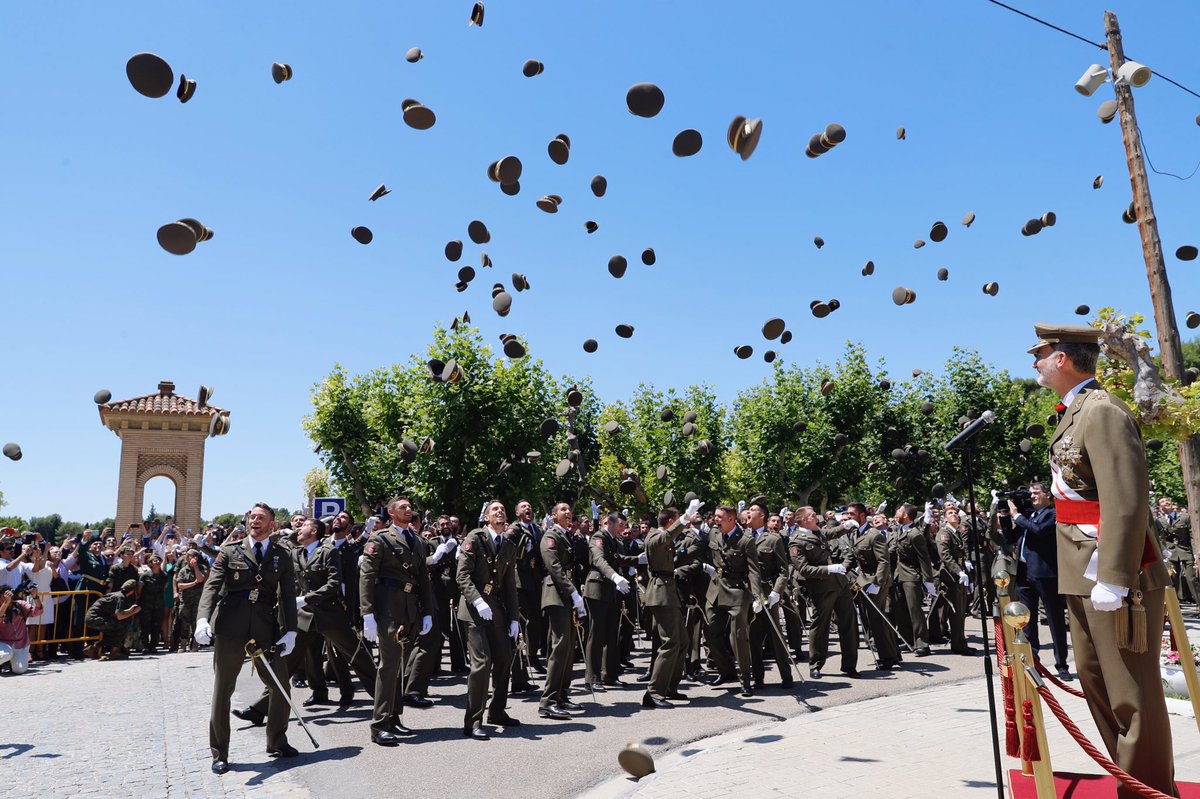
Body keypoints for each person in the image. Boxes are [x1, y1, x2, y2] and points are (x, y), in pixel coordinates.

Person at [1029, 322, 1176, 797]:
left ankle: (1148, 791)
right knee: (1096, 685)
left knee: (1131, 692)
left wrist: (1113, 577)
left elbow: (1126, 500)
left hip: (1111, 572)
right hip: (1078, 568)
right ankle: (1132, 780)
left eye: (1042, 353)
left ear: (1063, 360)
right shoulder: (1073, 412)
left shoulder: (1103, 411)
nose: (1035, 362)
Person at [194, 502, 299, 774]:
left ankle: (276, 740)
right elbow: (213, 585)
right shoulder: (230, 551)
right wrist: (202, 618)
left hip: (265, 626)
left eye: (261, 517)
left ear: (272, 524)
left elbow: (287, 595)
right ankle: (220, 752)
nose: (254, 521)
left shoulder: (281, 555)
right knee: (223, 689)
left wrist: (291, 631)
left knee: (280, 684)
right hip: (231, 625)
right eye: (252, 517)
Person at [359, 497, 435, 746]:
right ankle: (379, 724)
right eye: (402, 507)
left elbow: (424, 578)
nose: (408, 509)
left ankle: (394, 717)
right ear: (391, 513)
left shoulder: (417, 540)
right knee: (389, 666)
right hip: (389, 608)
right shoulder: (380, 539)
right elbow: (367, 576)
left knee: (399, 666)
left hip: (410, 608)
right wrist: (367, 613)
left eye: (410, 506)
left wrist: (428, 611)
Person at [456, 500, 523, 739]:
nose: (501, 512)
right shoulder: (475, 538)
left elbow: (509, 586)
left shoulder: (508, 544)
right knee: (482, 663)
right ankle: (473, 721)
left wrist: (514, 618)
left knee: (505, 659)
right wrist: (477, 600)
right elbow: (462, 575)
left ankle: (497, 711)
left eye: (503, 509)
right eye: (495, 510)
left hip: (495, 608)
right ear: (486, 518)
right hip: (474, 609)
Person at [1001, 484, 1067, 675]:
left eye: (1036, 493)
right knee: (1027, 620)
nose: (1032, 496)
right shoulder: (1028, 515)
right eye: (1030, 494)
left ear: (1048, 495)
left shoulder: (1052, 514)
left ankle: (1061, 664)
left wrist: (1017, 516)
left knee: (1055, 619)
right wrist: (1005, 516)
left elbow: (1039, 530)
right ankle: (1033, 660)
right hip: (1024, 574)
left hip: (1045, 575)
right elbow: (1010, 538)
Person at [790, 506, 858, 679]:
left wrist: (846, 526)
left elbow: (832, 533)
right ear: (803, 520)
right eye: (812, 516)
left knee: (848, 623)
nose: (816, 518)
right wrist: (829, 569)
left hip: (839, 584)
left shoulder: (817, 532)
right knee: (820, 627)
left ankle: (850, 665)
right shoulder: (797, 541)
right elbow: (804, 569)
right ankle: (816, 664)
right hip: (821, 587)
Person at [703, 504, 761, 697]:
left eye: (719, 517)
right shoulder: (714, 534)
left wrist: (757, 595)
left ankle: (745, 680)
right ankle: (726, 671)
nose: (715, 519)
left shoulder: (745, 540)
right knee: (710, 632)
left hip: (737, 591)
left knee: (737, 638)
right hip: (715, 590)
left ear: (731, 519)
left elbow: (753, 570)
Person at [538, 501, 587, 720]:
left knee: (568, 649)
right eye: (563, 510)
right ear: (553, 515)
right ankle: (548, 701)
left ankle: (561, 695)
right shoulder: (551, 535)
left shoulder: (566, 535)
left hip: (566, 595)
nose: (569, 513)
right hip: (556, 595)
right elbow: (555, 567)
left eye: (570, 510)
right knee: (559, 648)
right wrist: (573, 592)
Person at [640, 506, 691, 708]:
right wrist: (685, 520)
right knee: (669, 642)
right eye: (677, 520)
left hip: (669, 592)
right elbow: (662, 539)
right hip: (660, 593)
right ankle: (653, 693)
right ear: (671, 521)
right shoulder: (654, 536)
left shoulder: (664, 536)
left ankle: (669, 686)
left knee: (682, 641)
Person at [583, 511, 637, 692]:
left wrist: (637, 560)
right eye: (621, 525)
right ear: (611, 523)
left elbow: (617, 559)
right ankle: (592, 677)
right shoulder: (598, 537)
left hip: (611, 591)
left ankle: (610, 674)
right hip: (597, 589)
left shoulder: (614, 540)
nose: (623, 529)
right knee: (596, 634)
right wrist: (614, 576)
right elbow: (599, 560)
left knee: (612, 633)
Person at [846, 503, 902, 669]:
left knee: (877, 620)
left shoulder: (874, 535)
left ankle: (888, 658)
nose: (849, 517)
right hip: (863, 581)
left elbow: (883, 561)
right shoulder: (855, 534)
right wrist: (841, 568)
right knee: (870, 620)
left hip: (877, 581)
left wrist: (877, 583)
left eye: (851, 514)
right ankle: (892, 654)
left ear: (862, 516)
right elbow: (851, 557)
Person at [746, 501, 794, 688]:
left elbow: (784, 570)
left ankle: (786, 676)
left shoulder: (773, 539)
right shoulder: (743, 537)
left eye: (753, 511)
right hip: (750, 592)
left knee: (776, 635)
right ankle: (758, 678)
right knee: (754, 636)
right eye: (748, 510)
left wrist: (776, 592)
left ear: (762, 516)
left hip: (768, 590)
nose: (749, 513)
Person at [891, 503, 937, 657]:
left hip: (911, 575)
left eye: (898, 510)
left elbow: (923, 558)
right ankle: (908, 639)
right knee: (900, 608)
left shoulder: (914, 534)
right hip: (899, 574)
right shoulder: (899, 530)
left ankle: (922, 643)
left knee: (914, 610)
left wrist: (928, 580)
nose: (896, 513)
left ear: (905, 515)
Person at [1155, 498, 1198, 605]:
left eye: (1167, 501)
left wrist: (1196, 551)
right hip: (1170, 552)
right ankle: (1174, 607)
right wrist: (1163, 551)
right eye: (1163, 502)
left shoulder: (1184, 518)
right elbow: (1159, 538)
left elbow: (1192, 535)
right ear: (1160, 508)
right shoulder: (1158, 521)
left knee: (1191, 577)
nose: (1166, 502)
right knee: (1172, 579)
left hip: (1185, 551)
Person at [84, 580, 140, 659]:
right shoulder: (120, 598)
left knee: (116, 630)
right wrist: (133, 612)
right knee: (123, 625)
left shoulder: (118, 595)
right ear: (132, 591)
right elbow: (119, 616)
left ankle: (94, 648)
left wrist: (130, 610)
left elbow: (118, 612)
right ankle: (114, 652)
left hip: (95, 617)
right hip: (95, 619)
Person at [0, 585, 43, 673]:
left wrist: (35, 596)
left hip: (21, 643)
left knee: (19, 670)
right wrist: (6, 603)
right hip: (3, 643)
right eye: (3, 596)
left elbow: (38, 611)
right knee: (5, 654)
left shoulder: (20, 605)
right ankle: (5, 660)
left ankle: (12, 662)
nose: (4, 598)